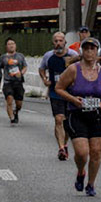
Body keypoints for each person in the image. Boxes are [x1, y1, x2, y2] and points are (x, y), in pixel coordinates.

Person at [55, 36, 101, 195]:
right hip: (77, 115)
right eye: (86, 48)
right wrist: (74, 100)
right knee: (82, 153)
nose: (89, 51)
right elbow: (59, 88)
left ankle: (91, 184)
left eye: (92, 48)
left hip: (97, 115)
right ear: (82, 51)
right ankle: (81, 171)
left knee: (95, 152)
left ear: (97, 51)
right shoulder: (74, 69)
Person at [38, 31, 79, 160]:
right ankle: (61, 147)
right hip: (55, 92)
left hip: (70, 93)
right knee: (59, 119)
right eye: (56, 41)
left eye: (60, 40)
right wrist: (45, 79)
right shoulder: (48, 56)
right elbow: (41, 68)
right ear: (53, 42)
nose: (58, 43)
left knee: (67, 123)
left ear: (65, 42)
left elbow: (81, 69)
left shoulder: (73, 55)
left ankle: (65, 144)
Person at [0, 38, 28, 124]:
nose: (11, 45)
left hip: (18, 82)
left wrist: (21, 73)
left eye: (13, 43)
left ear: (15, 45)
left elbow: (25, 66)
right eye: (9, 44)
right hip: (8, 82)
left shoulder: (20, 56)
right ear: (6, 46)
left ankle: (16, 112)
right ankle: (12, 118)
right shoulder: (3, 57)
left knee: (19, 104)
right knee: (9, 99)